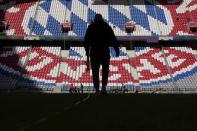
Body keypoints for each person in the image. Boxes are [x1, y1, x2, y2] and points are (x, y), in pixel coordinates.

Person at [84, 14, 120, 95]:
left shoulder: (91, 27)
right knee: (105, 70)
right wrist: (116, 49)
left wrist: (87, 51)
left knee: (95, 71)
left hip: (94, 52)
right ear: (102, 19)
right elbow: (113, 39)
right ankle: (103, 88)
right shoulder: (106, 26)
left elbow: (86, 40)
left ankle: (97, 90)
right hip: (105, 52)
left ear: (95, 19)